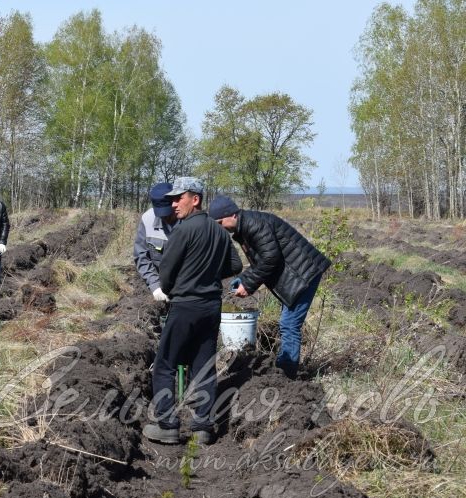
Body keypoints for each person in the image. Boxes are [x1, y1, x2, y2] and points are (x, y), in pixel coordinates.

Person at [144, 177, 242, 446]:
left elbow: (166, 272)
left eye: (179, 198)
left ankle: (167, 425)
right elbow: (235, 266)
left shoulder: (183, 230)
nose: (173, 204)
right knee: (203, 366)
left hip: (185, 305)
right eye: (172, 199)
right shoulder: (220, 231)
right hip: (211, 307)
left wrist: (177, 284)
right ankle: (202, 427)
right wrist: (208, 274)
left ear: (195, 199)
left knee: (165, 364)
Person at [208, 195, 331, 379]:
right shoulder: (246, 226)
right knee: (288, 324)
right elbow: (262, 259)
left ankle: (286, 376)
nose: (219, 227)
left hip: (303, 275)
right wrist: (244, 277)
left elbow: (271, 258)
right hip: (296, 276)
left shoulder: (254, 225)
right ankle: (284, 370)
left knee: (289, 325)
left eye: (219, 222)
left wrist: (249, 285)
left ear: (232, 215)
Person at [133, 182, 177, 301]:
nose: (165, 218)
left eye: (168, 213)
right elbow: (141, 256)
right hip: (160, 282)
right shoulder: (147, 219)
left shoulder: (189, 221)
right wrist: (155, 286)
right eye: (161, 214)